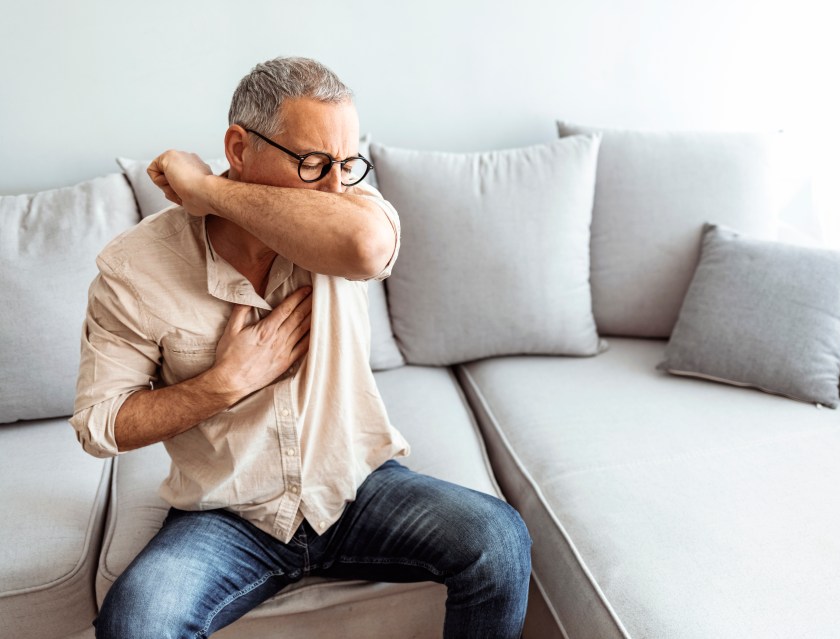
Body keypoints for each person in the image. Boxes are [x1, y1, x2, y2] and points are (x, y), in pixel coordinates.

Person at [70, 56, 531, 639]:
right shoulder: (135, 267)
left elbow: (364, 245)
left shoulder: (350, 217)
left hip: (355, 489)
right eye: (314, 164)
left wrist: (207, 190)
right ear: (239, 148)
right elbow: (100, 425)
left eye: (347, 164)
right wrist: (224, 384)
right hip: (226, 514)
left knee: (497, 539)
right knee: (137, 621)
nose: (337, 186)